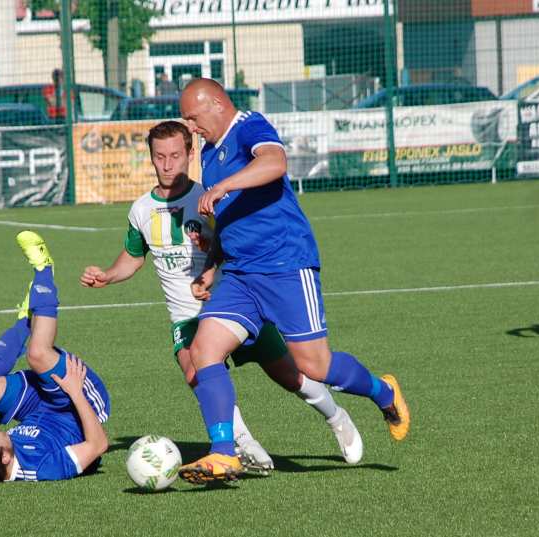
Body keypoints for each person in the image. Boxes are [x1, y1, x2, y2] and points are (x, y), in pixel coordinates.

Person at [79, 120, 363, 474]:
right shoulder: (140, 210)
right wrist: (108, 274)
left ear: (190, 154)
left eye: (175, 156)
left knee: (291, 376)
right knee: (192, 367)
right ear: (150, 158)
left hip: (236, 306)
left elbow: (240, 248)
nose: (167, 165)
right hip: (187, 316)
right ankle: (241, 445)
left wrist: (212, 252)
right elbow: (134, 258)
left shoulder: (211, 199)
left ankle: (336, 416)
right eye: (159, 157)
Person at [176, 78, 410, 484]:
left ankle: (383, 392)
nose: (191, 128)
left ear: (215, 103)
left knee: (315, 365)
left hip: (286, 264)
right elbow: (228, 216)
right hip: (241, 274)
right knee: (203, 350)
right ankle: (223, 453)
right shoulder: (210, 152)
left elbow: (274, 163)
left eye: (193, 118)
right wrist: (212, 265)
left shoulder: (249, 125)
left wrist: (226, 184)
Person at [0, 231, 110, 483]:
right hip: (75, 402)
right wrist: (76, 392)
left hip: (37, 404)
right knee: (37, 354)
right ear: (5, 457)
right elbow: (99, 444)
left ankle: (26, 320)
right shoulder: (44, 468)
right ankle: (44, 270)